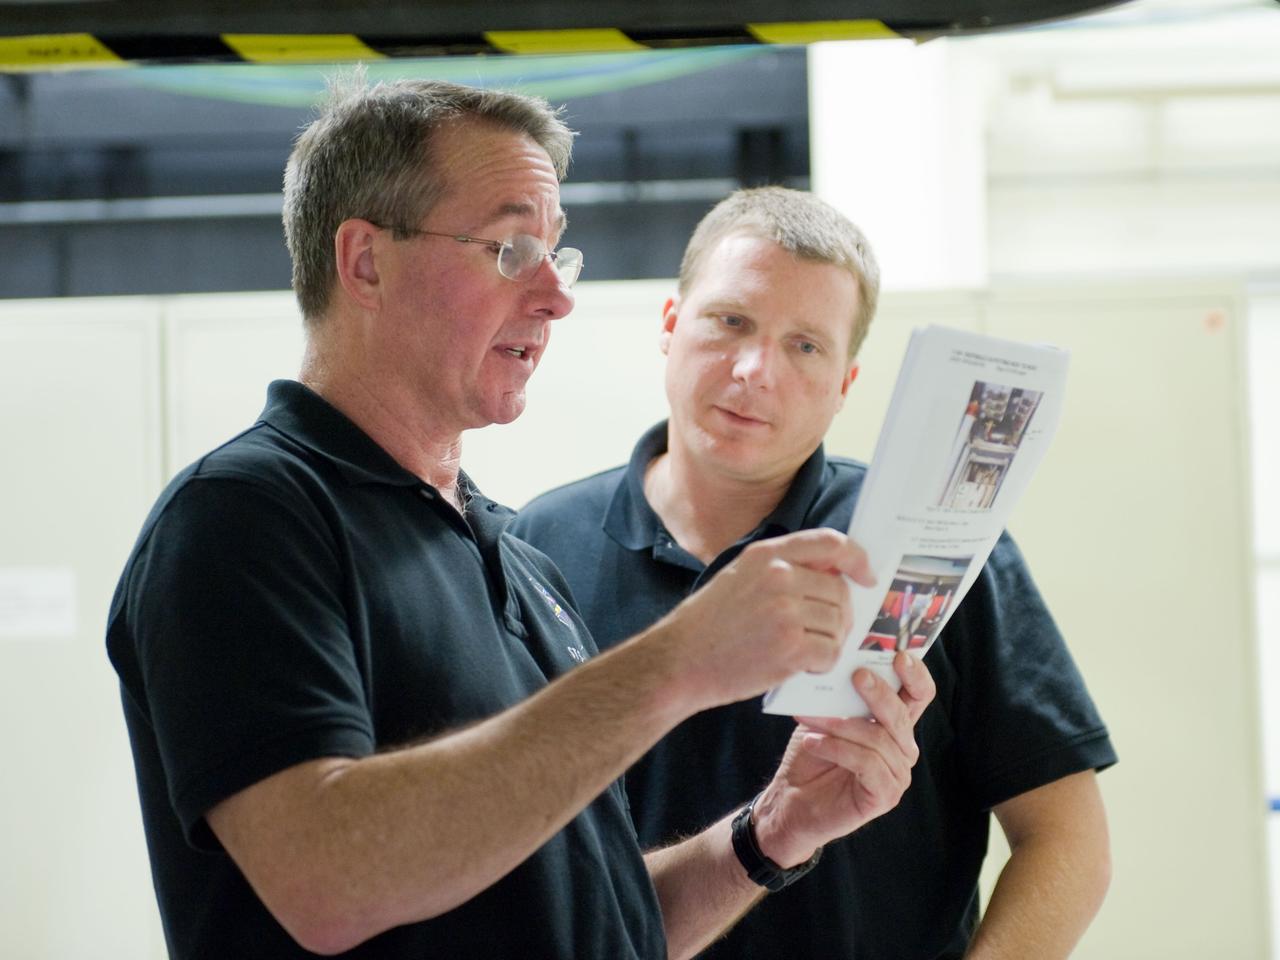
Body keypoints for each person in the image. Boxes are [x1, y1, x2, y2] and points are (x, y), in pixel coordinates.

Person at [105, 79, 936, 960]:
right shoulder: (246, 518)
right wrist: (680, 664)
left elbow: (601, 924)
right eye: (510, 249)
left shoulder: (515, 556)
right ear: (364, 262)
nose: (555, 296)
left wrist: (770, 834)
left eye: (557, 254)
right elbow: (327, 881)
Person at [513, 186, 1117, 960]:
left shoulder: (938, 547)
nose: (755, 369)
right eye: (730, 321)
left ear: (845, 385)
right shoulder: (538, 548)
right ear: (671, 326)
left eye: (806, 346)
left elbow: (1068, 840)